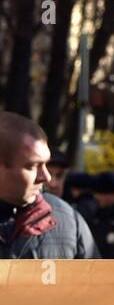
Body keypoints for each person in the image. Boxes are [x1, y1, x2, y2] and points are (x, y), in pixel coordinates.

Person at [0, 111, 98, 259]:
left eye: (46, 164)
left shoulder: (68, 220)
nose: (46, 177)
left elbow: (96, 280)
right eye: (33, 166)